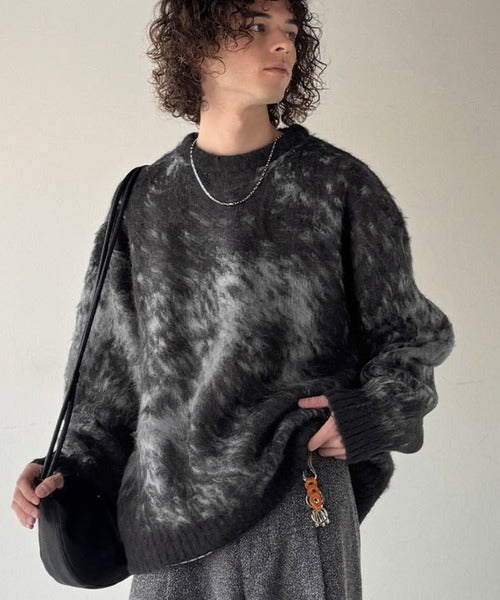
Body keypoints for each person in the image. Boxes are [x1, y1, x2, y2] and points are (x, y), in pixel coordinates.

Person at [11, 0, 455, 598]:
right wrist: (64, 467)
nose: (283, 44)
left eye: (290, 31)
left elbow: (410, 339)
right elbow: (106, 377)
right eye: (255, 27)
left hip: (296, 496)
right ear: (196, 44)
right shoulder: (145, 200)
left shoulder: (337, 186)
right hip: (167, 521)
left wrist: (369, 416)